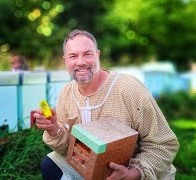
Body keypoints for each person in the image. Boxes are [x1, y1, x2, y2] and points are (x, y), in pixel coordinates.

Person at [33, 29, 179, 180]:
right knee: (50, 165)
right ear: (65, 61)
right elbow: (68, 149)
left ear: (98, 55)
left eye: (87, 54)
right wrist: (53, 128)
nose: (81, 62)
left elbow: (164, 144)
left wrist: (134, 173)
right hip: (92, 171)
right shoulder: (66, 93)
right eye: (73, 56)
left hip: (129, 172)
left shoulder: (128, 88)